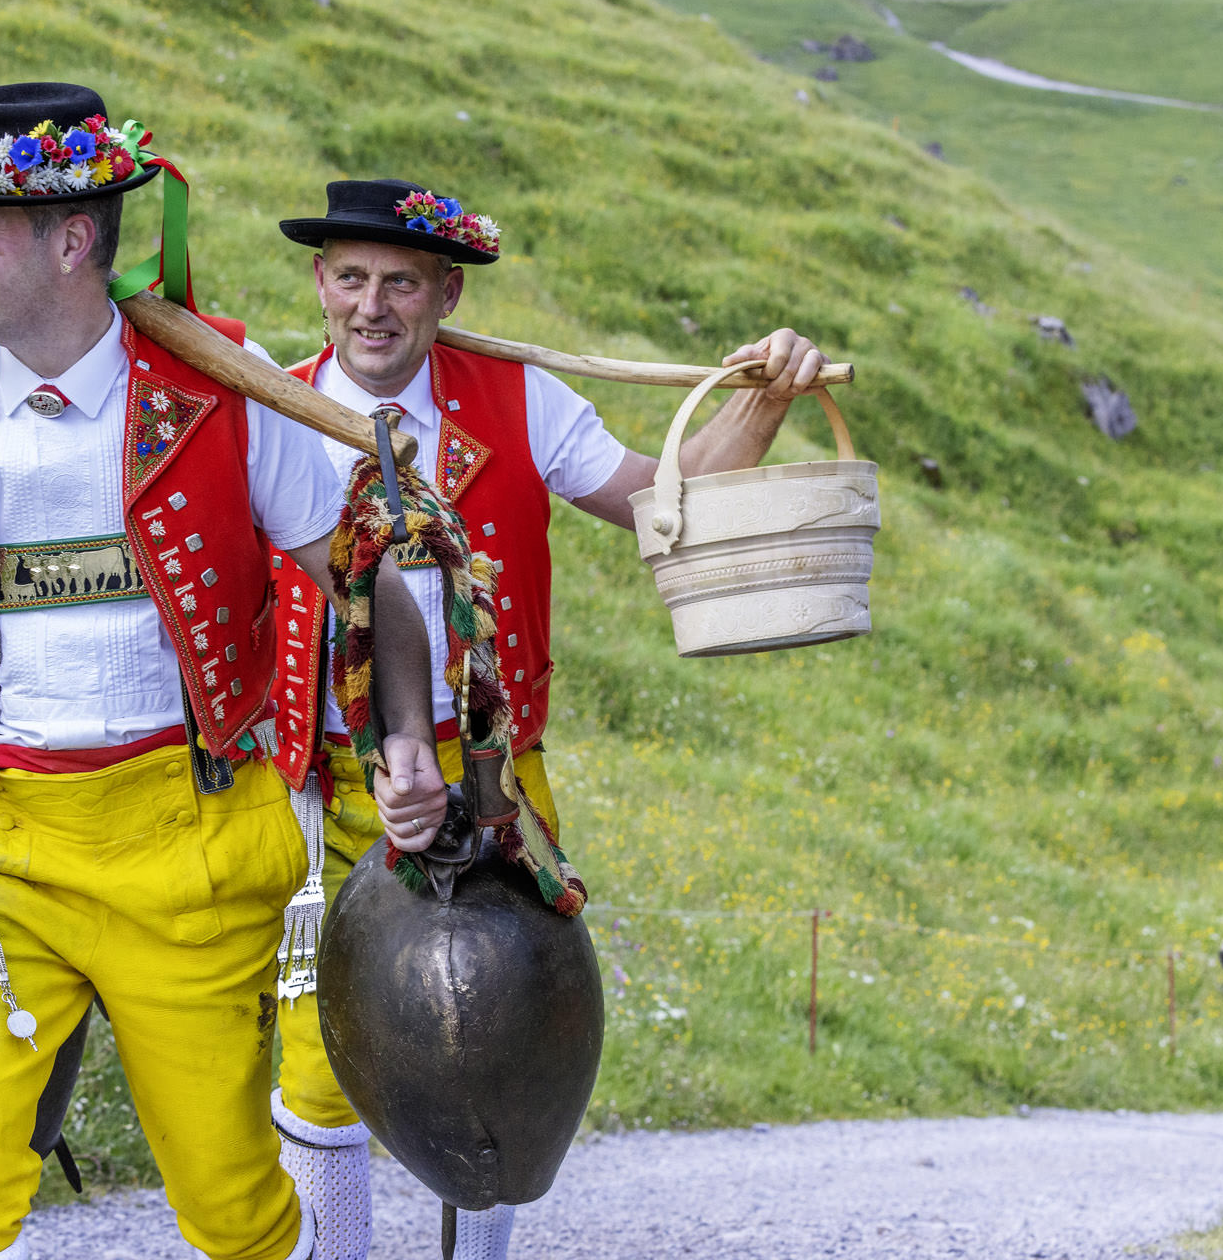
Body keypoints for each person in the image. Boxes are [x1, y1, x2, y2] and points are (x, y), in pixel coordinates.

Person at [0, 89, 447, 1260]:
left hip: (190, 851)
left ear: (72, 239)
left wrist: (408, 735)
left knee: (233, 1210)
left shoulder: (227, 388)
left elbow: (364, 580)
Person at [264, 178, 827, 1259]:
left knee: (497, 1045)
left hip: (491, 777)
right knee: (320, 1058)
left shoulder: (519, 399)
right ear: (319, 282)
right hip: (317, 776)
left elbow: (665, 505)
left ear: (447, 293)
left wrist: (761, 401)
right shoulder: (269, 408)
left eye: (400, 283)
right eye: (351, 278)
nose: (371, 307)